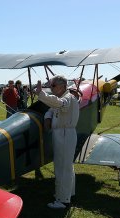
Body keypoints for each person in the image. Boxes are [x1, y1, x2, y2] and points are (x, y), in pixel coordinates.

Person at [34, 75, 80, 209]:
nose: (51, 88)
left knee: (62, 167)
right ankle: (67, 194)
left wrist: (41, 94)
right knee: (66, 166)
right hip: (63, 133)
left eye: (53, 86)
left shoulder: (67, 98)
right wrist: (48, 118)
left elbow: (58, 104)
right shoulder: (66, 97)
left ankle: (63, 200)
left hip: (64, 133)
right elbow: (52, 109)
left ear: (61, 86)